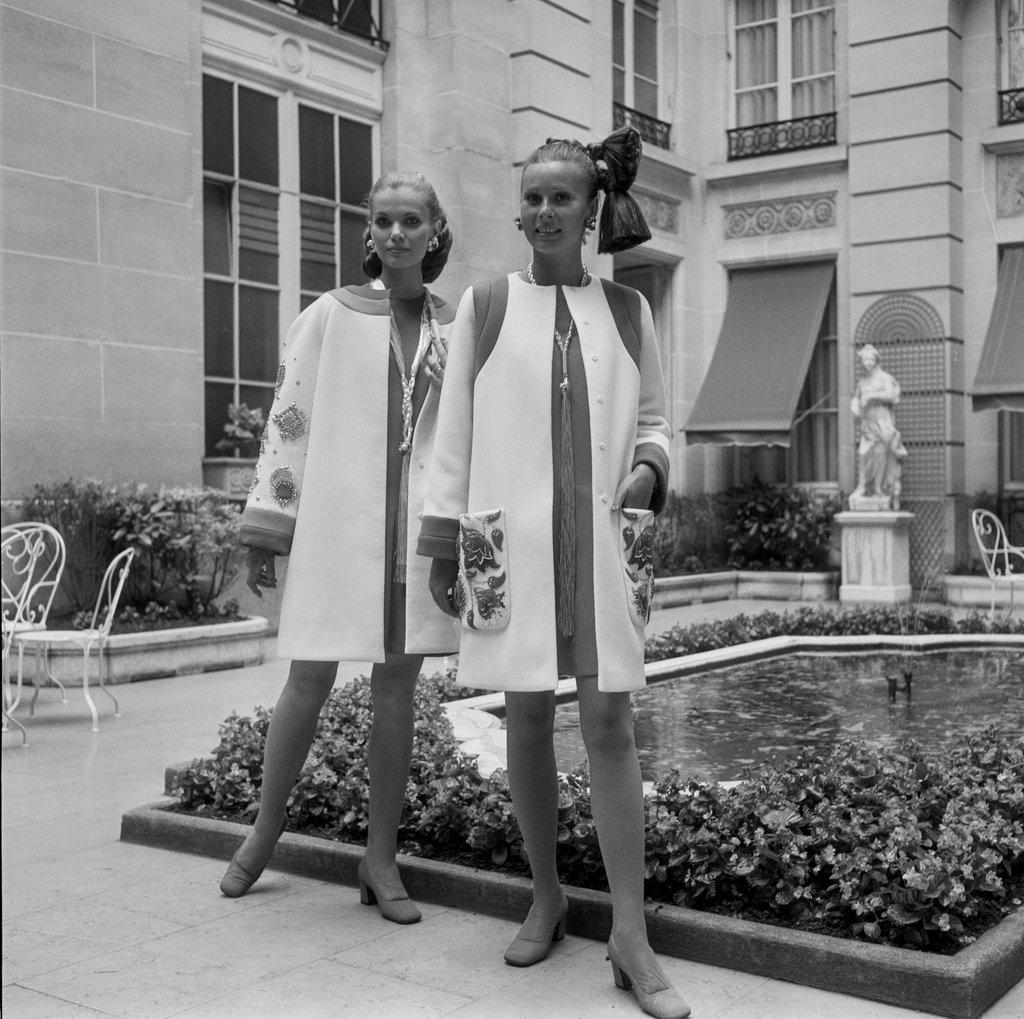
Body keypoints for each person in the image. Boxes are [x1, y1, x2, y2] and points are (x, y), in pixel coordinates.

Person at [418, 127, 690, 1019]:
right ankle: (546, 894)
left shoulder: (629, 313)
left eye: (560, 197)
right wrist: (440, 545)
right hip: (514, 548)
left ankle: (631, 935)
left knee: (608, 721)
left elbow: (654, 419)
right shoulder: (486, 306)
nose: (542, 211)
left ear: (591, 210)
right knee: (527, 715)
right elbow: (447, 435)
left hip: (604, 546)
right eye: (531, 196)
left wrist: (649, 467)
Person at [219, 171, 459, 925]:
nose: (395, 233)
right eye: (382, 220)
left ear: (434, 232)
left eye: (410, 220)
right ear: (367, 234)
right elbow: (288, 422)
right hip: (337, 527)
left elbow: (468, 438)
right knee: (308, 676)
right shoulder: (327, 316)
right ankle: (264, 828)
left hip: (416, 538)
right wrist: (268, 529)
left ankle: (380, 858)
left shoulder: (461, 326)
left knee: (397, 691)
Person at [850, 342, 907, 509]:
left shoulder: (885, 378)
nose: (867, 363)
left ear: (876, 360)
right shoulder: (863, 381)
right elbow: (857, 397)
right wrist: (854, 406)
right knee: (863, 454)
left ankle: (878, 489)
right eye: (864, 360)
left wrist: (872, 397)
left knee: (880, 454)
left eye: (870, 359)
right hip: (868, 422)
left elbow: (891, 395)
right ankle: (863, 487)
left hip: (882, 422)